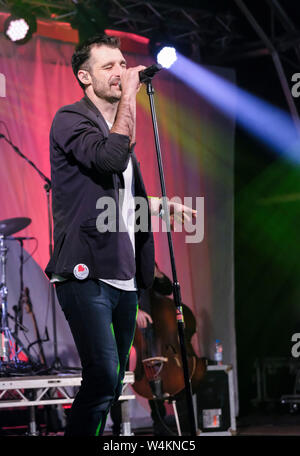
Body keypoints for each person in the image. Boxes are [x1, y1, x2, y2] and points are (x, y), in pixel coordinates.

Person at [45, 34, 196, 436]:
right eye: (108, 66)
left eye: (122, 64)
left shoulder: (118, 134)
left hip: (123, 274)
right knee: (101, 378)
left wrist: (162, 207)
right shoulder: (70, 119)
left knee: (113, 383)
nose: (121, 72)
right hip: (85, 271)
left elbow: (118, 203)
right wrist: (130, 96)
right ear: (84, 77)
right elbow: (108, 157)